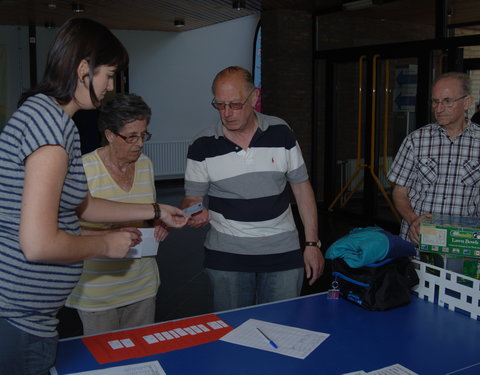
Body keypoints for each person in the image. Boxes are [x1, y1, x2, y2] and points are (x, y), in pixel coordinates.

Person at [0, 18, 188, 375]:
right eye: (109, 75)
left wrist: (154, 208)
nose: (111, 87)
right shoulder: (51, 132)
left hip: (26, 315)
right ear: (84, 70)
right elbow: (37, 244)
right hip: (18, 316)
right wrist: (105, 245)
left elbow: (81, 203)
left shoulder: (46, 116)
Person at [181, 66, 324, 311]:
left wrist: (312, 244)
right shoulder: (201, 145)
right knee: (232, 335)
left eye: (235, 104)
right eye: (220, 104)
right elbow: (191, 199)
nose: (226, 113)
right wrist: (193, 211)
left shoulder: (281, 132)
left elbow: (302, 189)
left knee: (284, 330)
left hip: (283, 254)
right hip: (227, 257)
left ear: (254, 97)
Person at [66, 94, 166, 334]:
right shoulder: (82, 170)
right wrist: (109, 236)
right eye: (131, 136)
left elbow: (145, 213)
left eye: (144, 135)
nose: (140, 143)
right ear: (110, 135)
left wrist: (157, 224)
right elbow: (66, 230)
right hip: (98, 293)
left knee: (142, 360)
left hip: (142, 286)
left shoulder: (146, 165)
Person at [388, 72, 479, 244]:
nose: (438, 108)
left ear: (467, 102)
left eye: (447, 101)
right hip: (417, 240)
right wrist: (412, 219)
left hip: (463, 243)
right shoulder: (416, 141)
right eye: (435, 102)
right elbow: (399, 192)